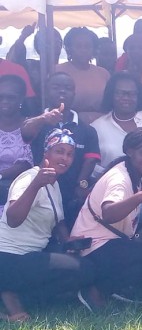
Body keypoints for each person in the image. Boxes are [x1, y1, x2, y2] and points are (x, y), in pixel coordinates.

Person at [72, 128, 142, 311]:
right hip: (94, 245)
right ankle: (95, 291)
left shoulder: (131, 171)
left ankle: (117, 289)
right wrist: (141, 197)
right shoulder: (120, 179)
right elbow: (109, 214)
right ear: (129, 151)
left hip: (109, 241)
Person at [0, 129, 95, 322]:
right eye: (59, 151)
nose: (65, 158)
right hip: (10, 257)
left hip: (31, 256)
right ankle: (12, 294)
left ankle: (13, 292)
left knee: (83, 269)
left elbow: (58, 219)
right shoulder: (30, 178)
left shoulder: (54, 183)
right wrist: (35, 185)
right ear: (46, 153)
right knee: (84, 270)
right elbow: (13, 218)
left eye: (70, 154)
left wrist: (68, 241)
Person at [21, 72, 100, 227]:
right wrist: (44, 118)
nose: (62, 91)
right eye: (56, 87)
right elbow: (25, 133)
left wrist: (81, 185)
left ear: (74, 94)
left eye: (68, 88)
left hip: (71, 195)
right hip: (39, 192)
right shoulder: (37, 123)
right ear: (46, 91)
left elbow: (90, 160)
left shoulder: (87, 130)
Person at [55, 27, 110, 124]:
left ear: (94, 49)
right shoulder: (57, 71)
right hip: (67, 123)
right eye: (78, 46)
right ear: (69, 48)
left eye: (87, 46)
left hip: (101, 123)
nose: (83, 50)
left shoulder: (103, 73)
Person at [0, 75, 34, 216]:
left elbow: (26, 164)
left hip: (20, 195)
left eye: (10, 97)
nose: (4, 101)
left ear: (21, 99)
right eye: (1, 97)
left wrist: (0, 175)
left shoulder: (31, 125)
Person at [6, 23, 62, 101]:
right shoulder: (31, 66)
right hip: (33, 106)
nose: (55, 45)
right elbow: (14, 61)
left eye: (58, 41)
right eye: (48, 42)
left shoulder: (64, 69)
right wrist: (22, 38)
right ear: (38, 47)